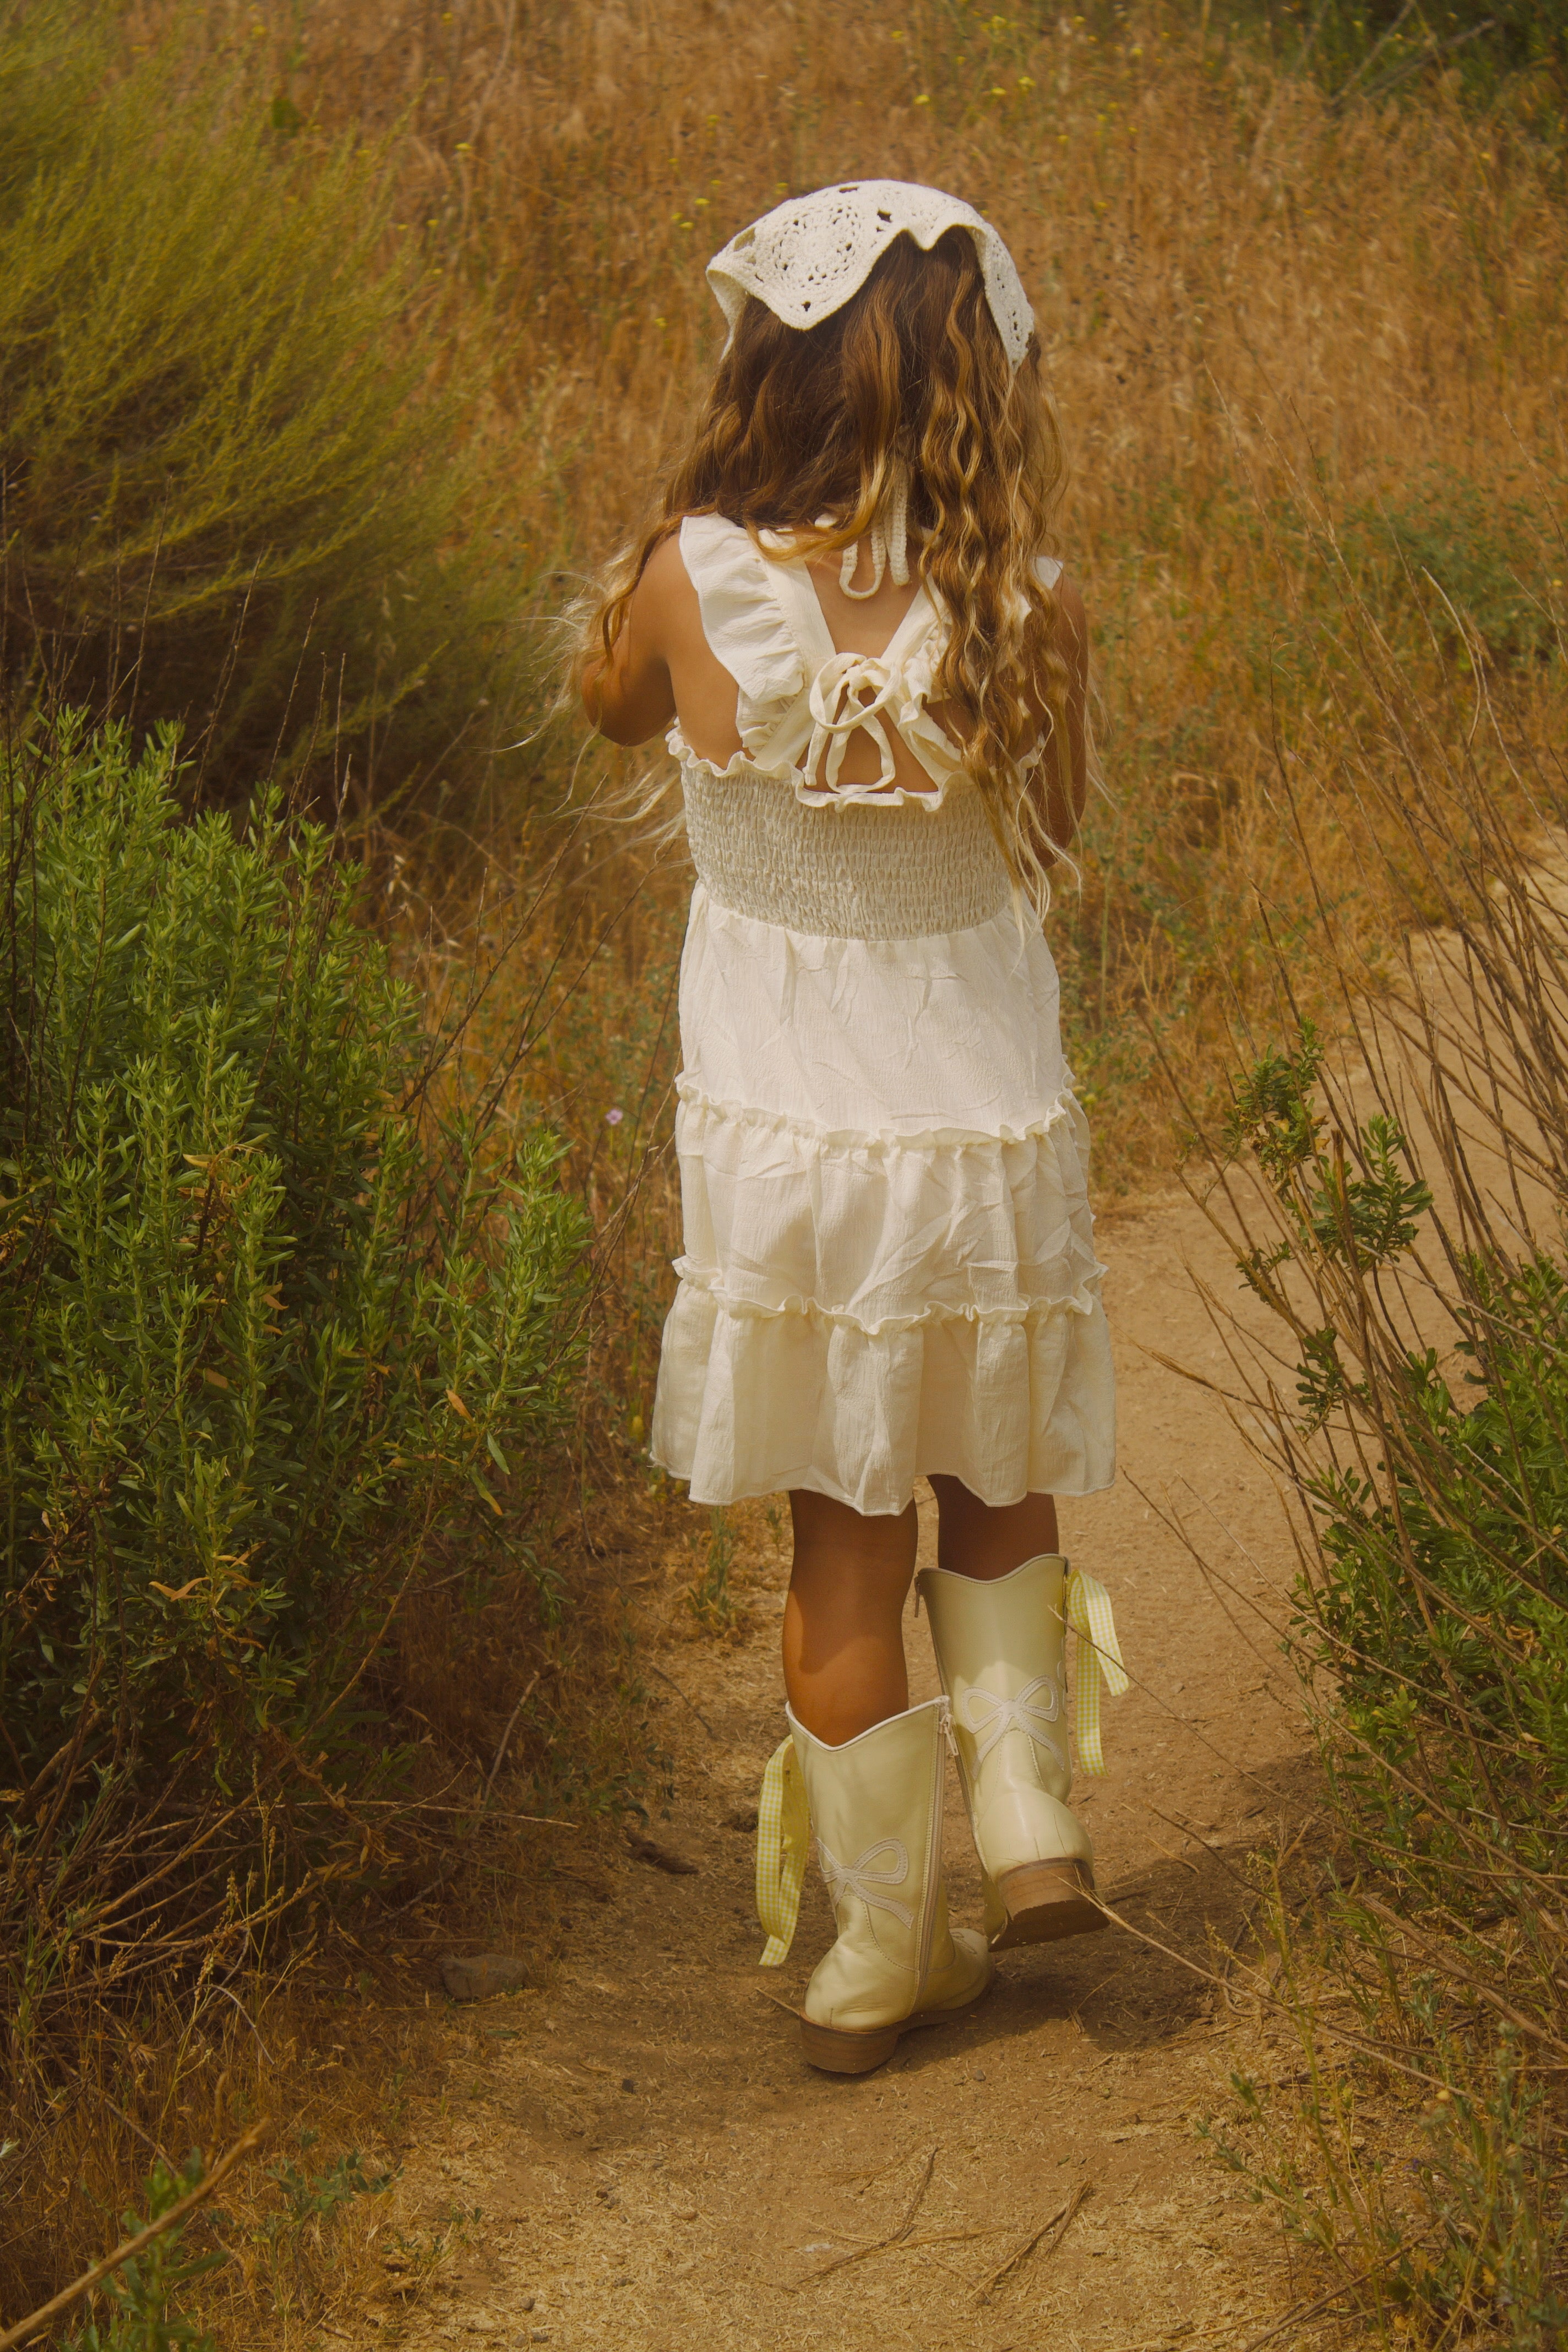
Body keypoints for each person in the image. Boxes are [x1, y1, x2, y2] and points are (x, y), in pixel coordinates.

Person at [579, 181, 1124, 2076]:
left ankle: (876, 1958)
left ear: (774, 371)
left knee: (842, 1541)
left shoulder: (691, 576)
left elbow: (614, 710)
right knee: (1000, 1483)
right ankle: (1029, 1821)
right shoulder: (1030, 609)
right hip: (979, 1127)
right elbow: (1056, 824)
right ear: (982, 384)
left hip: (796, 1146)